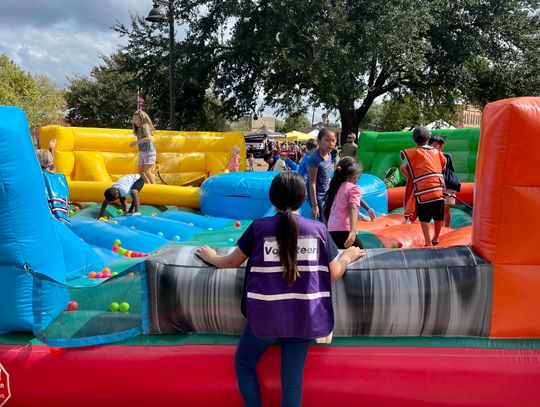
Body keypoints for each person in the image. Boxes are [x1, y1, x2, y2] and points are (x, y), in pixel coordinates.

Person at [196, 172, 364, 407]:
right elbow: (333, 273)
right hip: (304, 319)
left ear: (272, 199)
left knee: (244, 364)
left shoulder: (259, 228)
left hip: (265, 319)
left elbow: (232, 262)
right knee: (292, 384)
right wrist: (347, 256)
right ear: (303, 198)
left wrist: (212, 257)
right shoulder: (317, 230)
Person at [400, 126, 446, 246]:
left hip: (423, 191)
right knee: (438, 216)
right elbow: (443, 166)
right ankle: (436, 239)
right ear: (428, 138)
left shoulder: (412, 152)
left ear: (414, 139)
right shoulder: (437, 152)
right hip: (438, 190)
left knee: (424, 217)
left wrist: (412, 177)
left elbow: (403, 168)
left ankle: (427, 242)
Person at [322, 157, 376, 249]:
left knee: (345, 254)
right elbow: (352, 208)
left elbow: (326, 210)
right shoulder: (354, 188)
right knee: (360, 253)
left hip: (332, 229)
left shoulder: (336, 187)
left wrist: (368, 209)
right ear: (356, 176)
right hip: (345, 229)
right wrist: (353, 231)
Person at [429, 135, 461, 227]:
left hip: (447, 184)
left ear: (441, 146)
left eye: (437, 144)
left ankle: (446, 227)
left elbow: (444, 168)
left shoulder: (446, 156)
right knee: (438, 208)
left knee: (446, 208)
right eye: (433, 144)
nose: (434, 146)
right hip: (437, 185)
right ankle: (439, 227)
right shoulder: (429, 157)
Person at [37, 139, 71, 226]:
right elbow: (52, 168)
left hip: (49, 219)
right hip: (64, 219)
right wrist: (52, 149)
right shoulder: (58, 177)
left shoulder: (39, 176)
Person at [307, 128, 337, 221]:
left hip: (327, 193)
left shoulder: (330, 155)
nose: (331, 143)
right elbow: (312, 183)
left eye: (333, 140)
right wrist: (315, 205)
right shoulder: (315, 159)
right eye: (327, 140)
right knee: (325, 221)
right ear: (319, 141)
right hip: (318, 195)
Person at [130, 110, 156, 184]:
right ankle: (148, 185)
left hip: (149, 152)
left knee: (147, 171)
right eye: (134, 119)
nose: (135, 121)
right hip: (142, 152)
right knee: (140, 171)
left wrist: (136, 142)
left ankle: (154, 188)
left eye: (136, 119)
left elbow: (149, 138)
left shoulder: (145, 126)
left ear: (142, 119)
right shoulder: (138, 128)